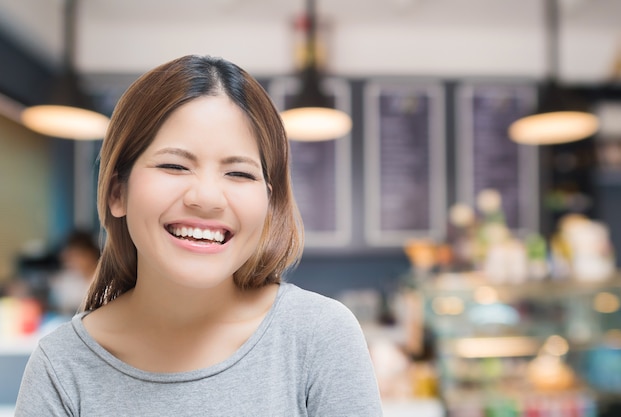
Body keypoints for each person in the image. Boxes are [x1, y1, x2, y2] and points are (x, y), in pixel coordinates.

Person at [15, 54, 383, 416]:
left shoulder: (320, 337)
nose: (206, 198)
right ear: (117, 192)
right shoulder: (61, 368)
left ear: (269, 202)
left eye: (239, 173)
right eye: (174, 165)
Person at [48, 230, 100, 315]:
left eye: (74, 256)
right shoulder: (72, 278)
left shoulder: (103, 281)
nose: (70, 261)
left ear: (88, 255)